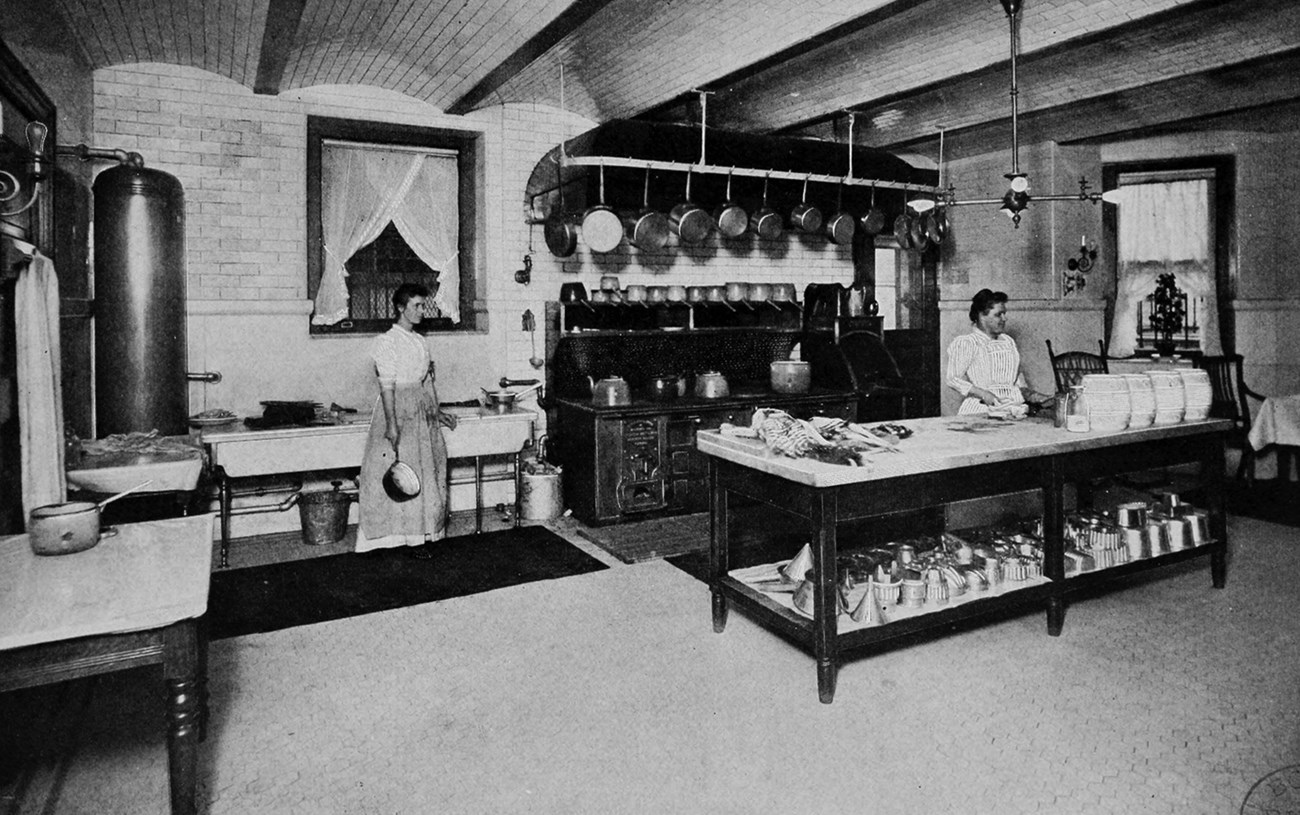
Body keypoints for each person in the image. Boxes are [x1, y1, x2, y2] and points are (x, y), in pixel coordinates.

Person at [356, 283, 457, 558]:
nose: (422, 311)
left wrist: (437, 413)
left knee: (423, 472)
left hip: (421, 412)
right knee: (397, 473)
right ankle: (390, 540)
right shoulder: (387, 341)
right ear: (401, 308)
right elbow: (386, 386)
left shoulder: (420, 341)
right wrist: (391, 423)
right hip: (397, 411)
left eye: (424, 305)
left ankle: (420, 536)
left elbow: (425, 383)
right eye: (417, 306)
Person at [946, 288, 1042, 416]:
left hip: (1012, 408)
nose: (1004, 318)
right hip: (981, 409)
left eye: (1004, 314)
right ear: (981, 316)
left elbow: (1017, 378)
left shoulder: (1008, 341)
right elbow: (953, 379)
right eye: (998, 314)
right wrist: (984, 395)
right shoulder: (968, 343)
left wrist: (1031, 395)